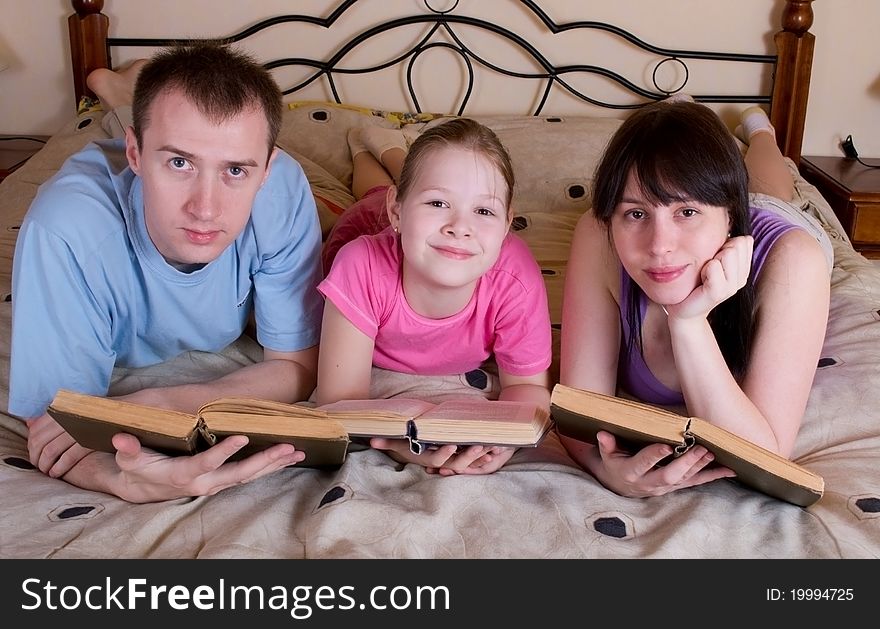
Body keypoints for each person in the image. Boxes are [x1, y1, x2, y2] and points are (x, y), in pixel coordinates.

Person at [8, 43, 325, 503]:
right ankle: (121, 99)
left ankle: (124, 97)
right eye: (180, 162)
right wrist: (121, 479)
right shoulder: (65, 231)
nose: (206, 209)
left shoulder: (282, 188)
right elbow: (58, 430)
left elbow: (297, 364)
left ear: (266, 172)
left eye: (236, 169)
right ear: (135, 154)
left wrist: (161, 404)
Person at [559, 100, 832, 498]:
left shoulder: (794, 261)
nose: (659, 246)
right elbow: (581, 412)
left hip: (776, 226)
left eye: (686, 211)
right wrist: (605, 470)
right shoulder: (598, 233)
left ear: (729, 218)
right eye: (635, 214)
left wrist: (687, 322)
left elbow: (765, 457)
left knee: (772, 188)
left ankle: (759, 134)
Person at [315, 119, 552, 475]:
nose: (460, 227)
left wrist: (504, 441)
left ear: (506, 225)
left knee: (417, 183)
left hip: (406, 220)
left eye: (484, 210)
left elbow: (529, 390)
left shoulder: (515, 279)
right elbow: (338, 403)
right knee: (372, 194)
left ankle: (397, 156)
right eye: (438, 203)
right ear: (397, 212)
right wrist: (401, 446)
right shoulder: (360, 264)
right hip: (368, 222)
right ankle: (367, 145)